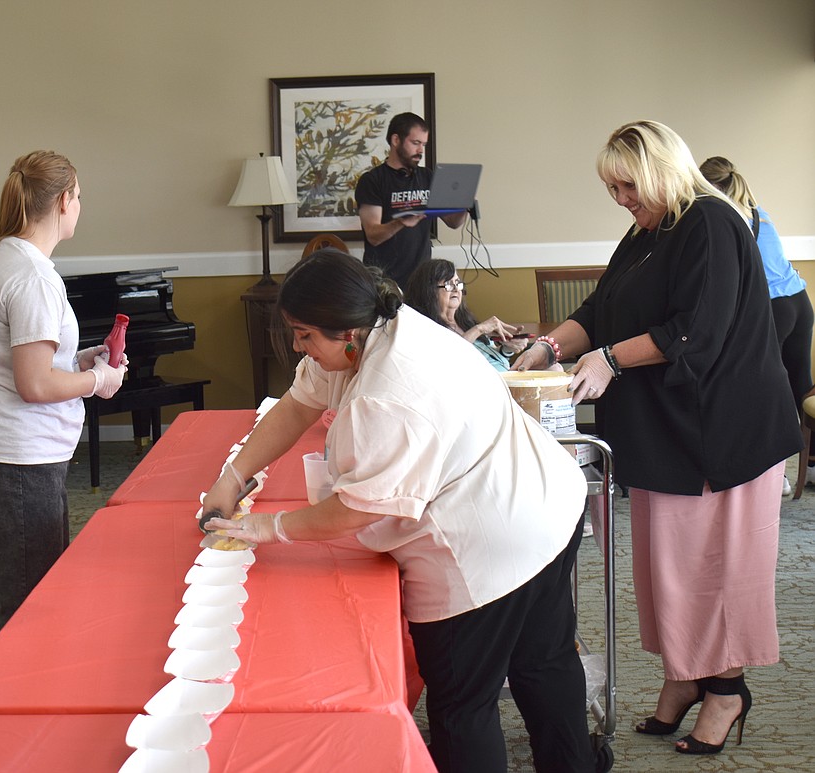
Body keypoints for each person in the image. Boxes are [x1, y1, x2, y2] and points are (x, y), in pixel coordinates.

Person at [203, 250, 607, 773]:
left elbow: (357, 509)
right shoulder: (384, 322)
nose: (299, 347)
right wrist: (233, 476)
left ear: (346, 333)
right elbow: (297, 405)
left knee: (464, 703)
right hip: (545, 498)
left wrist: (268, 526)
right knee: (545, 662)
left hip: (488, 542)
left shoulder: (383, 394)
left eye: (305, 335)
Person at [513, 120, 800, 756]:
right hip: (668, 429)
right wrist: (549, 347)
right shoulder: (649, 230)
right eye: (611, 187)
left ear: (661, 171)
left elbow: (697, 329)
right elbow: (600, 309)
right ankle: (684, 674)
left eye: (626, 184)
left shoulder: (711, 223)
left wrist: (611, 361)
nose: (619, 198)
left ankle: (726, 689)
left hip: (723, 432)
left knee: (715, 567)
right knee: (668, 567)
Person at [0, 150, 127, 639]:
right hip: (15, 466)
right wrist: (99, 382)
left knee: (18, 599)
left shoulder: (12, 260)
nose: (80, 207)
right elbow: (34, 385)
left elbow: (32, 367)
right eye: (78, 197)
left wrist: (85, 359)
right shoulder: (32, 276)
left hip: (9, 461)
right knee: (30, 612)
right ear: (61, 202)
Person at [700, 155, 813, 495]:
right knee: (801, 386)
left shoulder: (726, 216)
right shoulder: (755, 209)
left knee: (760, 392)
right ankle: (809, 466)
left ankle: (772, 475)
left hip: (775, 310)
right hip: (800, 302)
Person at [355, 112, 468, 289]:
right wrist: (400, 222)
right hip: (383, 283)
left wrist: (464, 204)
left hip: (422, 280)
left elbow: (453, 222)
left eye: (423, 144)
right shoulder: (372, 180)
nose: (421, 150)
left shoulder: (428, 177)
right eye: (415, 143)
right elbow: (373, 235)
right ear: (395, 140)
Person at [403, 258, 529, 371]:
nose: (456, 289)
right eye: (448, 284)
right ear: (428, 291)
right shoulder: (424, 328)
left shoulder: (465, 321)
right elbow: (447, 362)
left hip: (505, 381)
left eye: (457, 283)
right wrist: (479, 329)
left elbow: (490, 359)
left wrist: (507, 349)